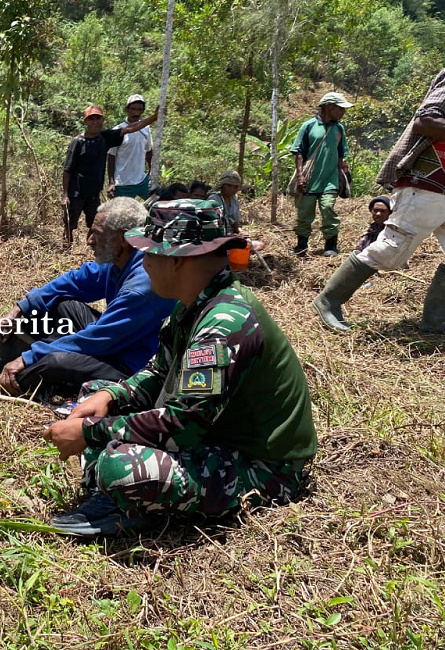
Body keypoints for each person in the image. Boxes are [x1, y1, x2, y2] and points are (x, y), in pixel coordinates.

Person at [43, 199, 317, 537]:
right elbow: (160, 373)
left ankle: (126, 499)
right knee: (93, 394)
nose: (143, 264)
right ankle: (112, 488)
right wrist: (112, 397)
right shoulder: (195, 305)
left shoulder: (223, 324)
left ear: (175, 260)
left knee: (121, 464)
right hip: (215, 435)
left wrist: (90, 432)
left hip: (262, 466)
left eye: (149, 254)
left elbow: (182, 423)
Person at [0, 197, 176, 396]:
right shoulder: (121, 260)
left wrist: (30, 357)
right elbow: (76, 281)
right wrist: (21, 307)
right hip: (116, 339)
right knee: (59, 302)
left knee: (57, 361)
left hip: (130, 363)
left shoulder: (143, 286)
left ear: (124, 238)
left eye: (97, 233)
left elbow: (97, 340)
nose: (89, 240)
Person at [313, 69, 445, 333]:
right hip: (427, 182)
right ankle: (329, 300)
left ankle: (435, 322)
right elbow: (426, 119)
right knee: (389, 251)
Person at [63, 103, 158, 245]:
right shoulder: (78, 142)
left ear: (102, 120)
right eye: (91, 119)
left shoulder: (105, 137)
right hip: (76, 192)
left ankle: (90, 247)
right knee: (70, 224)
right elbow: (67, 170)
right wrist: (65, 195)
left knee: (95, 223)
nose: (95, 122)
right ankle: (67, 248)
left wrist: (154, 118)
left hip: (94, 192)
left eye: (98, 118)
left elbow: (130, 129)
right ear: (86, 122)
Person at [291, 92, 353, 256]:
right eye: (340, 109)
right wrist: (300, 175)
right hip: (310, 179)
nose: (342, 112)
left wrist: (340, 177)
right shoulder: (309, 126)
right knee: (305, 213)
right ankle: (301, 246)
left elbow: (341, 155)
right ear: (328, 107)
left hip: (330, 179)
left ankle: (331, 245)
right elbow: (299, 153)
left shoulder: (339, 128)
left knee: (327, 208)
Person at [107, 94, 154, 200]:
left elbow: (149, 151)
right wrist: (111, 182)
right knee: (122, 214)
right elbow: (111, 156)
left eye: (139, 109)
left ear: (143, 111)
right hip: (123, 183)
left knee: (155, 206)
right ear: (127, 110)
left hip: (142, 180)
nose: (136, 113)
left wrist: (151, 171)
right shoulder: (118, 130)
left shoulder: (146, 129)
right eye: (133, 109)